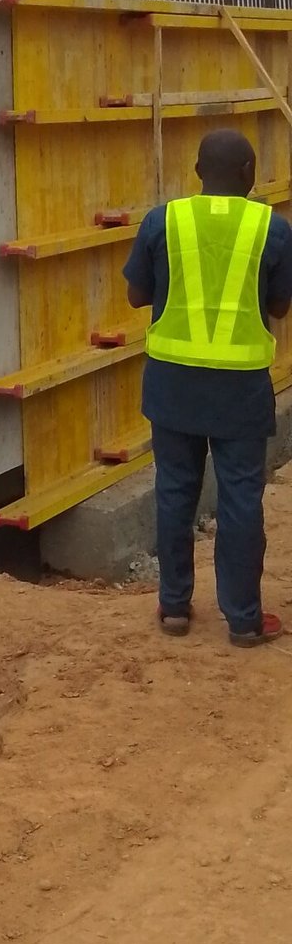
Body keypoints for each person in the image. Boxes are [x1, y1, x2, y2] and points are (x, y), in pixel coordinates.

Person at [124, 128, 292, 646]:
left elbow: (136, 295)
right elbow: (280, 306)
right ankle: (242, 619)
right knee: (241, 497)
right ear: (249, 174)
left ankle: (174, 606)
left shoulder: (163, 221)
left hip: (173, 384)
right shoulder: (273, 228)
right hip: (239, 389)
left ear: (197, 173)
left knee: (174, 491)